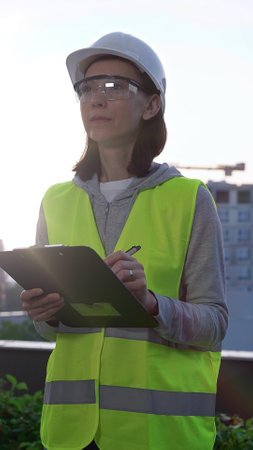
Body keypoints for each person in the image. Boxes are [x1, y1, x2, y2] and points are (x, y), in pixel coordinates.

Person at [21, 32, 228, 450]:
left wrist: (151, 304)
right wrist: (45, 314)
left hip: (160, 436)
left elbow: (215, 324)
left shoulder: (189, 199)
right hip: (71, 435)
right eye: (87, 88)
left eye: (114, 86)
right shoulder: (55, 200)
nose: (95, 98)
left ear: (151, 105)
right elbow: (52, 331)